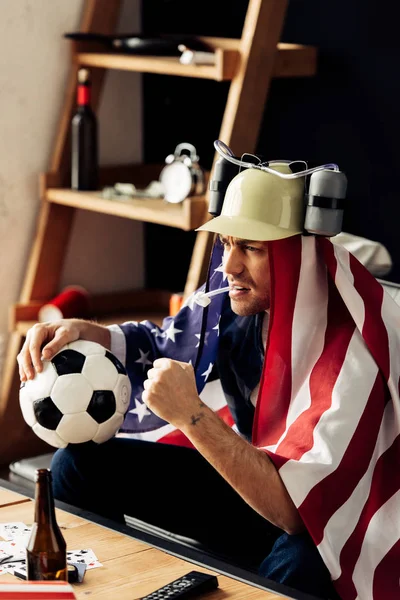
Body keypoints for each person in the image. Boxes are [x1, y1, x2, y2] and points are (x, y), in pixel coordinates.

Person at [17, 163, 400, 600]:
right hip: (256, 486)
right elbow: (165, 343)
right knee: (76, 467)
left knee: (301, 564)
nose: (230, 264)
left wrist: (193, 416)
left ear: (300, 253)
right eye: (226, 242)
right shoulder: (241, 294)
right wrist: (86, 331)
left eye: (252, 247)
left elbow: (297, 514)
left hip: (330, 521)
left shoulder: (353, 344)